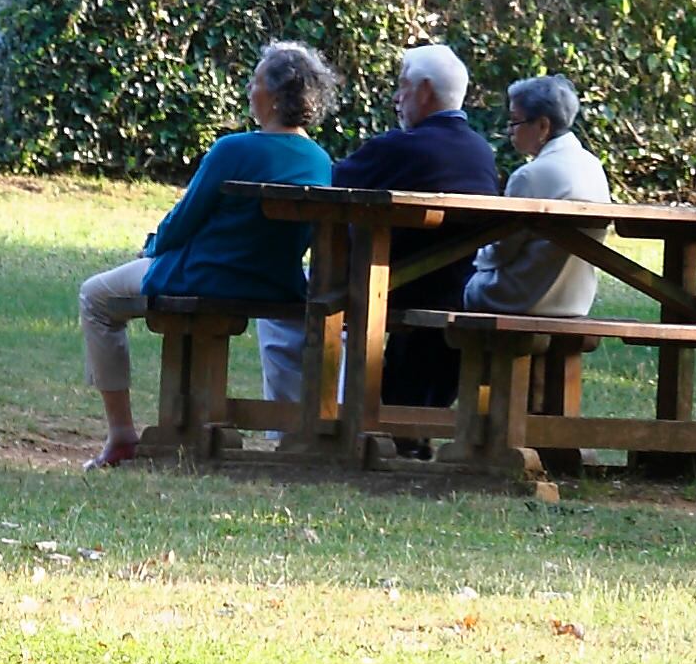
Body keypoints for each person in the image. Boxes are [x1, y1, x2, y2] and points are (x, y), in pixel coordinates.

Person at [75, 37, 336, 468]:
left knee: (95, 296)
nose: (250, 91)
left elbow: (184, 219)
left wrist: (152, 247)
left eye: (255, 82)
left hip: (204, 274)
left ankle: (121, 433)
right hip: (276, 284)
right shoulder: (320, 161)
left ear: (271, 97)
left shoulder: (234, 149)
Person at [324, 39, 502, 415]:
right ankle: (407, 422)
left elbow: (329, 187)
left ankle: (317, 414)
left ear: (424, 91)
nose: (396, 98)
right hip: (458, 289)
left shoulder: (400, 148)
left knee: (312, 291)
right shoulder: (482, 153)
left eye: (402, 86)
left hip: (391, 289)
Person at [464, 71, 610, 327]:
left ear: (543, 126)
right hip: (575, 300)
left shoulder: (529, 175)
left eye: (515, 121)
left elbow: (501, 251)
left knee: (455, 278)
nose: (509, 130)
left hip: (521, 297)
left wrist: (474, 256)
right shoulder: (592, 165)